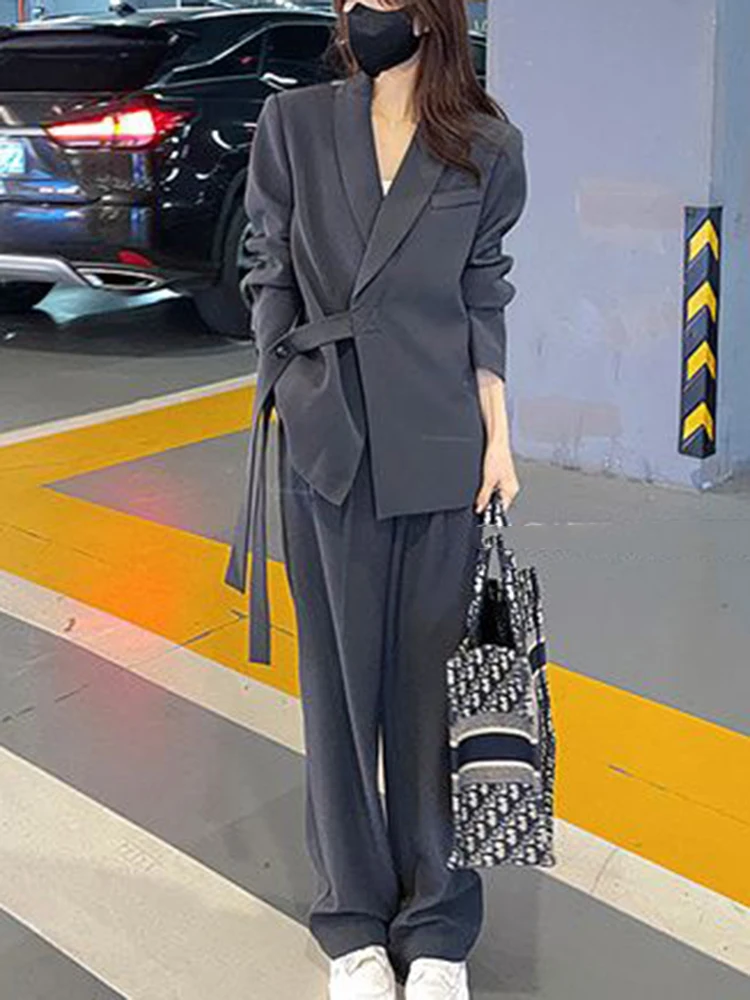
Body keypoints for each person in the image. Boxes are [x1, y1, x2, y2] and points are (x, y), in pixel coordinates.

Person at [223, 2, 528, 997]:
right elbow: (268, 262)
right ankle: (352, 920)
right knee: (341, 695)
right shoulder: (296, 124)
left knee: (433, 699)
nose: (361, 11)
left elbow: (483, 295)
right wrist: (285, 382)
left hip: (442, 440)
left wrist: (500, 437)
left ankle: (437, 927)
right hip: (328, 442)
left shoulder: (487, 147)